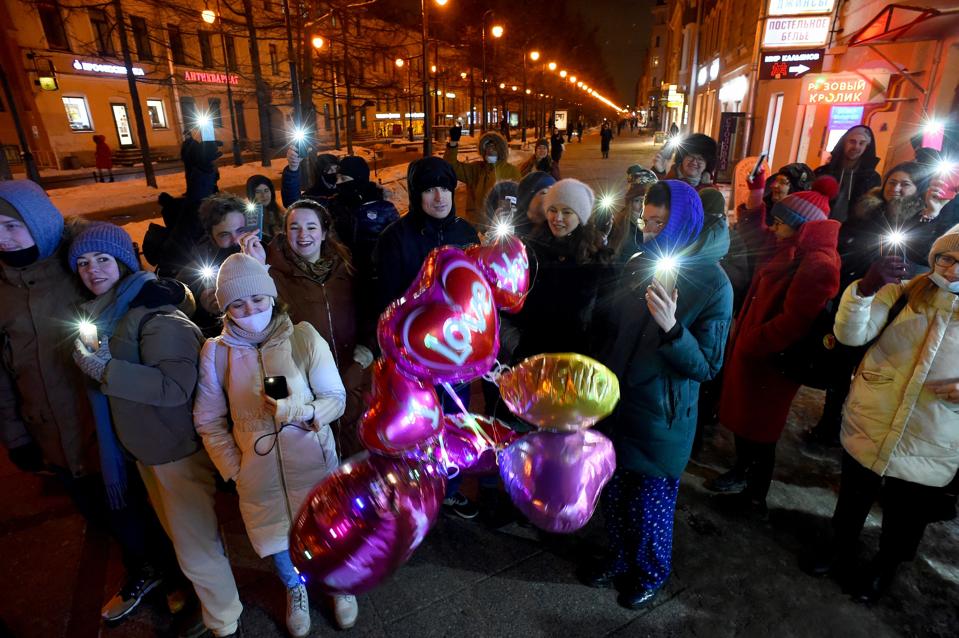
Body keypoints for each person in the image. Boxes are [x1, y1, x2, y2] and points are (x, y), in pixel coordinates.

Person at [0, 182, 179, 624]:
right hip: (48, 428)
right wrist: (15, 434)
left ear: (38, 223)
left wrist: (165, 292)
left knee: (142, 505)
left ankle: (175, 574)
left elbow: (130, 281)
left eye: (10, 226)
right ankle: (143, 570)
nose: (2, 238)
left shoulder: (73, 263)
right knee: (98, 511)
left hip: (102, 420)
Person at [68, 222, 242, 637]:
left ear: (124, 261)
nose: (93, 270)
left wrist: (107, 369)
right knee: (186, 542)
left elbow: (176, 386)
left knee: (196, 546)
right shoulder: (109, 313)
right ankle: (216, 607)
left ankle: (225, 623)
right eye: (83, 263)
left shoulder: (156, 314)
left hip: (175, 450)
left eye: (103, 259)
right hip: (148, 451)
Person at [584, 180, 733, 609]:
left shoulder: (713, 284)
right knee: (613, 496)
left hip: (661, 420)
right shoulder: (638, 263)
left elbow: (706, 366)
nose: (651, 233)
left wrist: (673, 328)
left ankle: (648, 573)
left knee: (649, 509)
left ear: (685, 221)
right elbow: (612, 332)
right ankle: (616, 557)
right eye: (646, 222)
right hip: (615, 408)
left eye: (661, 223)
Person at [193, 253, 355, 635]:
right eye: (237, 303)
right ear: (226, 308)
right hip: (258, 477)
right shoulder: (216, 353)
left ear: (272, 298)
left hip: (313, 464)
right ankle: (294, 588)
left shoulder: (303, 337)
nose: (249, 309)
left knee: (328, 529)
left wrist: (300, 410)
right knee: (277, 540)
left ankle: (339, 584)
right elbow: (209, 420)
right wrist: (236, 468)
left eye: (257, 300)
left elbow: (336, 397)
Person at [801, 224, 959, 603]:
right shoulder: (906, 292)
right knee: (854, 495)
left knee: (907, 515)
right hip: (873, 416)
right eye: (947, 258)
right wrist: (865, 291)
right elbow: (852, 336)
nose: (953, 271)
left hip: (933, 434)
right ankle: (839, 545)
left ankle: (885, 567)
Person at [709, 177, 841, 513]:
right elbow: (758, 233)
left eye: (781, 223)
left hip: (772, 362)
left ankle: (754, 497)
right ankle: (741, 471)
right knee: (744, 421)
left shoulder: (817, 263)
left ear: (801, 227)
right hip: (752, 352)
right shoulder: (790, 246)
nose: (776, 227)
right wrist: (755, 196)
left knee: (761, 431)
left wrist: (751, 341)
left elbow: (795, 322)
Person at [807, 163, 957, 446]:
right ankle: (831, 423)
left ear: (918, 189)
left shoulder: (924, 217)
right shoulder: (869, 209)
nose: (896, 188)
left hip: (896, 302)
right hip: (860, 289)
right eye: (892, 181)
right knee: (842, 361)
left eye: (905, 184)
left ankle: (860, 430)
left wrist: (932, 213)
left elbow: (925, 253)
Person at [372, 156, 480, 519]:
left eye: (446, 189)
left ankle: (448, 489)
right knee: (415, 424)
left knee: (453, 421)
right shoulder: (394, 239)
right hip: (412, 356)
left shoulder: (466, 233)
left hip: (456, 353)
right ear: (417, 194)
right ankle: (414, 490)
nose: (439, 197)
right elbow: (386, 298)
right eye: (430, 189)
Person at [238, 199, 373, 458]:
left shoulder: (347, 268)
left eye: (311, 228)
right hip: (304, 384)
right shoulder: (273, 272)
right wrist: (256, 268)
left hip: (351, 376)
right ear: (285, 232)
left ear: (324, 233)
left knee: (358, 456)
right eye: (294, 227)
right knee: (315, 460)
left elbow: (368, 311)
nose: (303, 235)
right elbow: (258, 320)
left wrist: (367, 348)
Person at [511, 178, 614, 362]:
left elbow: (606, 321)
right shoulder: (530, 250)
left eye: (566, 212)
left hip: (577, 364)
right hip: (533, 360)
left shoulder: (597, 260)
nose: (557, 218)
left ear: (581, 216)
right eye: (552, 210)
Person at [177, 194, 248, 338]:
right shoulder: (195, 270)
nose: (235, 240)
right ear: (211, 236)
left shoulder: (265, 251)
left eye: (240, 231)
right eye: (224, 235)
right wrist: (202, 306)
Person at [444, 129, 521, 229]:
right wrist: (453, 144)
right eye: (487, 148)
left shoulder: (511, 171)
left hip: (501, 226)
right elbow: (451, 167)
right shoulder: (476, 169)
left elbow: (518, 198)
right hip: (476, 226)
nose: (489, 151)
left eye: (493, 148)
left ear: (500, 150)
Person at [813, 125, 881, 222]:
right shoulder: (822, 172)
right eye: (852, 141)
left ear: (867, 147)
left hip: (852, 232)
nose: (856, 147)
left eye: (862, 143)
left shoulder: (872, 179)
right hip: (819, 225)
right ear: (844, 143)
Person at [651, 133, 717, 191]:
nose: (694, 162)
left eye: (700, 159)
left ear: (707, 164)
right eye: (690, 156)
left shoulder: (711, 192)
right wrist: (659, 172)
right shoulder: (668, 180)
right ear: (682, 157)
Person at [181, 129, 222, 205]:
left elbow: (197, 154)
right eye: (185, 135)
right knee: (189, 178)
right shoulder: (185, 143)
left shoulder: (195, 143)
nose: (186, 136)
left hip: (194, 165)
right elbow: (183, 153)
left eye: (187, 135)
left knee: (195, 179)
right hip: (188, 165)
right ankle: (190, 191)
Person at [514, 170, 556, 240]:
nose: (553, 197)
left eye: (554, 192)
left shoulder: (559, 231)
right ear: (528, 199)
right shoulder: (512, 230)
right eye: (545, 192)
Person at [246, 175, 284, 243]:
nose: (263, 195)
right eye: (258, 192)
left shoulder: (281, 213)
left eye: (266, 190)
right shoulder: (250, 218)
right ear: (251, 194)